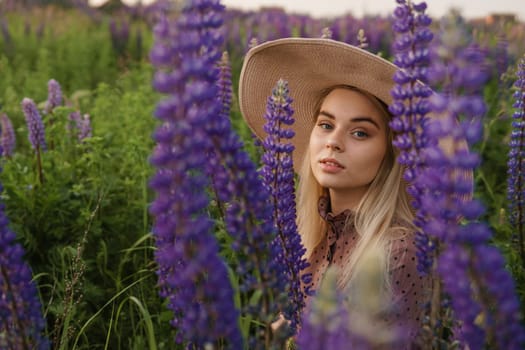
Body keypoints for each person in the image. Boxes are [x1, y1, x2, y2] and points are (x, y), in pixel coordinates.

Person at [239, 37, 433, 347]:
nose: (334, 142)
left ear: (392, 152)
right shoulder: (308, 237)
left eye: (360, 132)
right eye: (326, 125)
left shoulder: (395, 252)